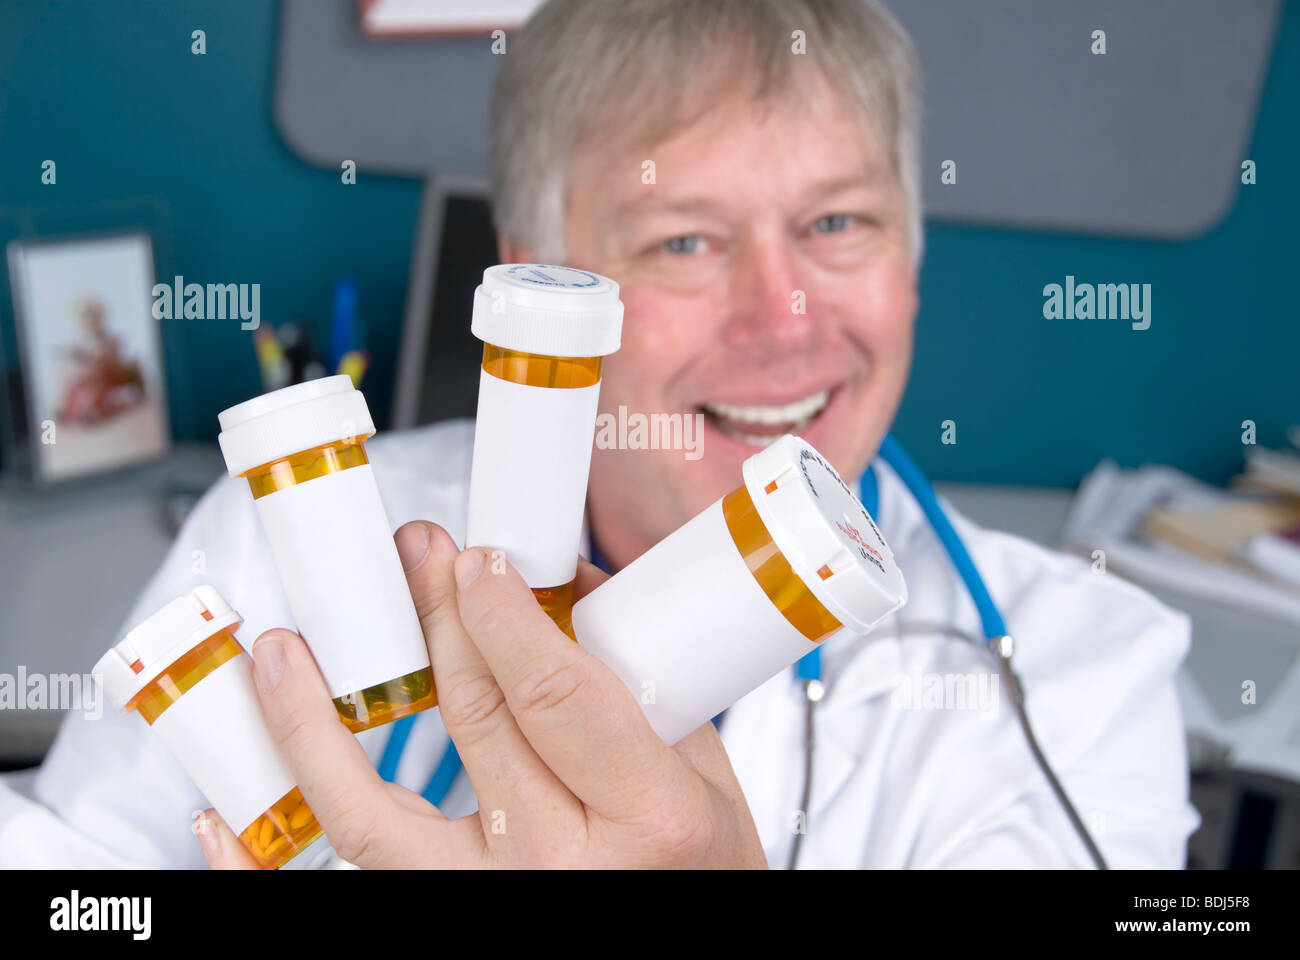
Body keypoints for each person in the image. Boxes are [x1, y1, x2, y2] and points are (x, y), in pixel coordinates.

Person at [0, 0, 1198, 869]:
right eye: (684, 240)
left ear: (913, 265)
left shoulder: (1083, 675)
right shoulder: (294, 531)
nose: (784, 322)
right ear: (540, 292)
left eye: (838, 222)